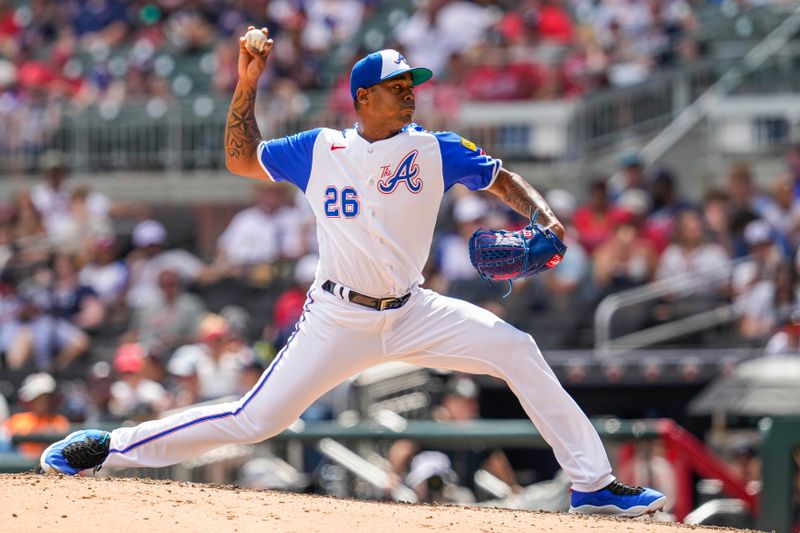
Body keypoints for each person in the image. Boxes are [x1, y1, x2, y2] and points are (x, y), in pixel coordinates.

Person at [40, 31, 665, 517]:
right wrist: (247, 83)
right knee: (258, 420)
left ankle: (593, 486)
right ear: (363, 97)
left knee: (518, 349)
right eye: (398, 85)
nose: (411, 91)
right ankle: (110, 446)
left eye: (413, 83)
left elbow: (500, 176)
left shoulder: (434, 147)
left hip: (415, 309)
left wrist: (548, 220)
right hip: (338, 315)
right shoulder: (319, 148)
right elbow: (239, 158)